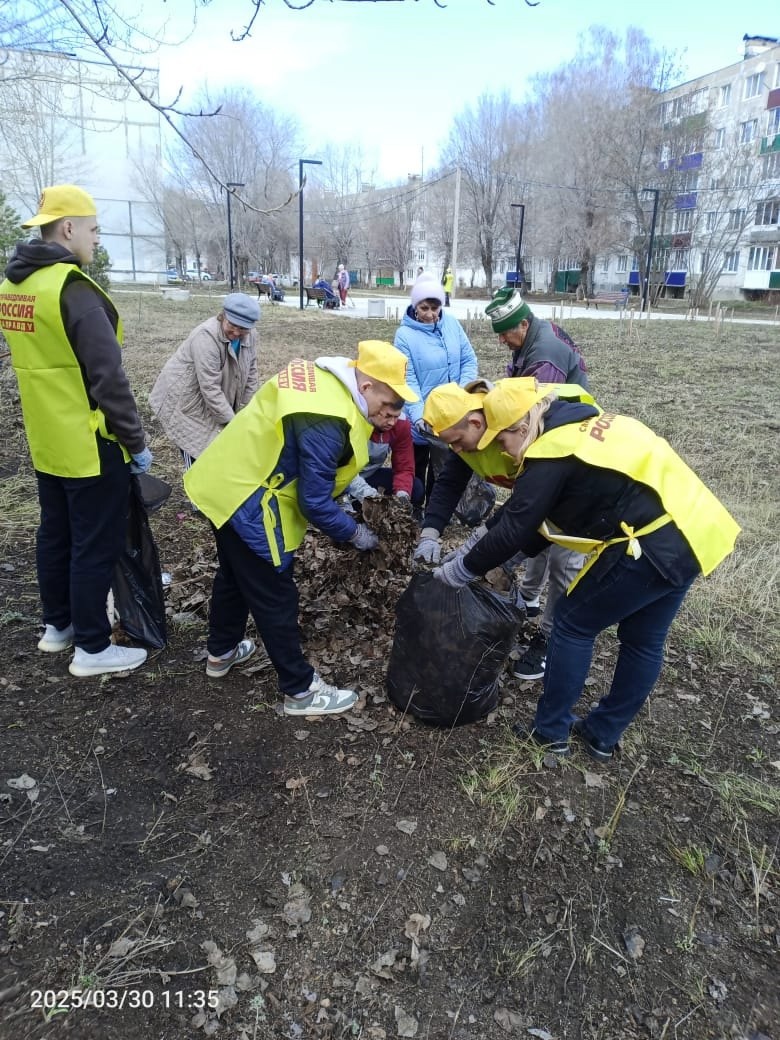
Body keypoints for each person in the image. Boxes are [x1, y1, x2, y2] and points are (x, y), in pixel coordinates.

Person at [431, 378, 740, 761]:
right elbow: (543, 520)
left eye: (503, 440)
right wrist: (500, 553)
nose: (503, 451)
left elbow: (515, 526)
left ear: (521, 426)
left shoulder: (551, 451)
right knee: (643, 640)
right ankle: (602, 734)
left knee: (572, 624)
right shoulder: (573, 422)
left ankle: (549, 733)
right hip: (695, 529)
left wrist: (459, 571)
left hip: (648, 543)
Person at [183, 340, 419, 716]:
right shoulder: (328, 418)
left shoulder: (329, 384)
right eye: (389, 405)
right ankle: (299, 690)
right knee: (276, 596)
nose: (392, 417)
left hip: (224, 481)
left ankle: (221, 651)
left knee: (234, 576)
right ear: (366, 385)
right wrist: (355, 533)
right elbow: (315, 502)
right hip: (248, 499)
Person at [0, 184, 152, 677]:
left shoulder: (14, 288)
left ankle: (58, 626)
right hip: (90, 443)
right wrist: (136, 442)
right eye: (93, 229)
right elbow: (109, 379)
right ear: (68, 228)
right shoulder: (74, 290)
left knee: (55, 534)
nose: (97, 238)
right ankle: (92, 647)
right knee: (94, 544)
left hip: (46, 440)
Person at [484, 285, 591, 679]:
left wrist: (493, 549)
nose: (501, 340)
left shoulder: (544, 357)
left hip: (570, 453)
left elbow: (532, 416)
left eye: (505, 333)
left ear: (523, 325)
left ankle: (551, 638)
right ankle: (529, 597)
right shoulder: (533, 338)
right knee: (541, 530)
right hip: (555, 444)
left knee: (564, 553)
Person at [149, 293, 260, 470]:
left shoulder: (251, 336)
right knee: (197, 454)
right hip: (188, 401)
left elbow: (252, 373)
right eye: (232, 325)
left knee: (217, 453)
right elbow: (210, 387)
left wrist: (247, 412)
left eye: (243, 328)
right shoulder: (206, 337)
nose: (236, 333)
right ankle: (194, 486)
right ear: (223, 316)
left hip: (214, 397)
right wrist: (234, 424)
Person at [393, 272, 478, 502]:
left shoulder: (451, 324)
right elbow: (407, 379)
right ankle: (413, 509)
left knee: (442, 471)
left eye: (435, 308)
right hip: (420, 420)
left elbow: (468, 360)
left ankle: (435, 508)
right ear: (415, 306)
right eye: (424, 308)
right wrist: (420, 416)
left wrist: (462, 394)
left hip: (451, 415)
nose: (430, 314)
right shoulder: (404, 335)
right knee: (416, 470)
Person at [345, 415, 425, 509]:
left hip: (369, 474)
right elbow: (341, 470)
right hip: (344, 478)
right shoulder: (353, 418)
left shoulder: (401, 422)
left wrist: (402, 495)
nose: (392, 422)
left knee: (416, 488)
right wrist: (371, 497)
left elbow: (404, 467)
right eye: (387, 415)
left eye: (396, 416)